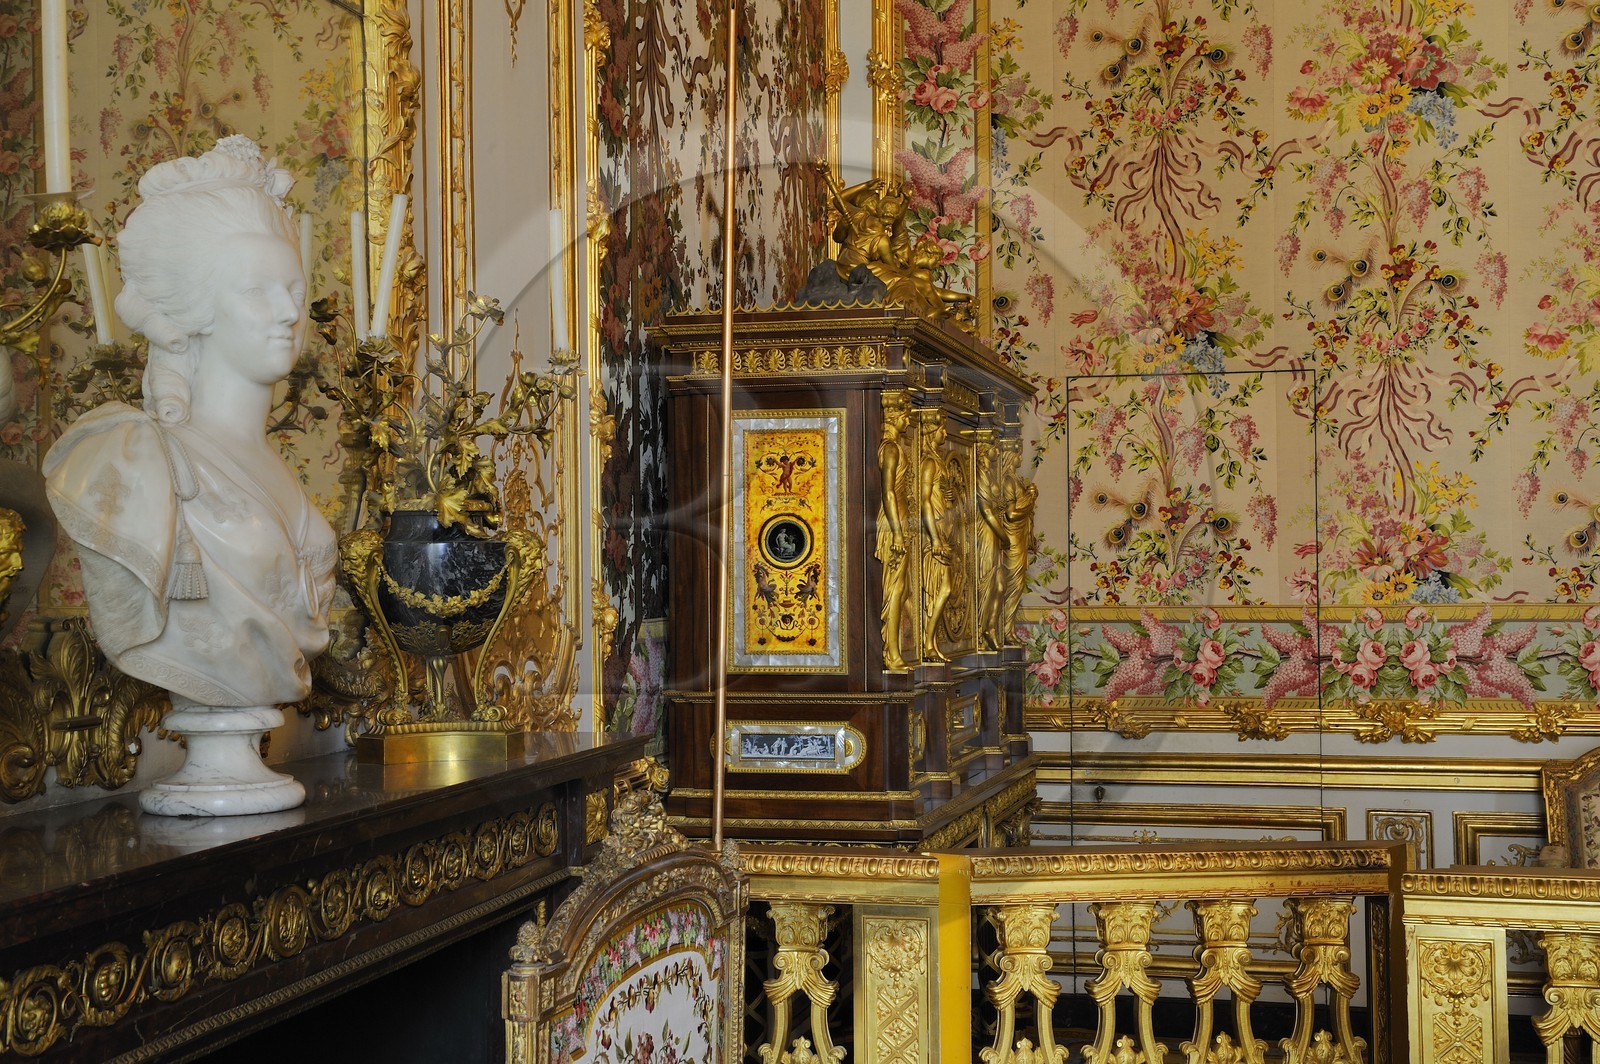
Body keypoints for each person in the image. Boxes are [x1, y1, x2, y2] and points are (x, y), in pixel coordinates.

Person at [43, 136, 336, 712]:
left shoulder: (276, 467)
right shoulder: (129, 456)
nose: (290, 312)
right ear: (195, 310)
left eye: (295, 290)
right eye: (257, 291)